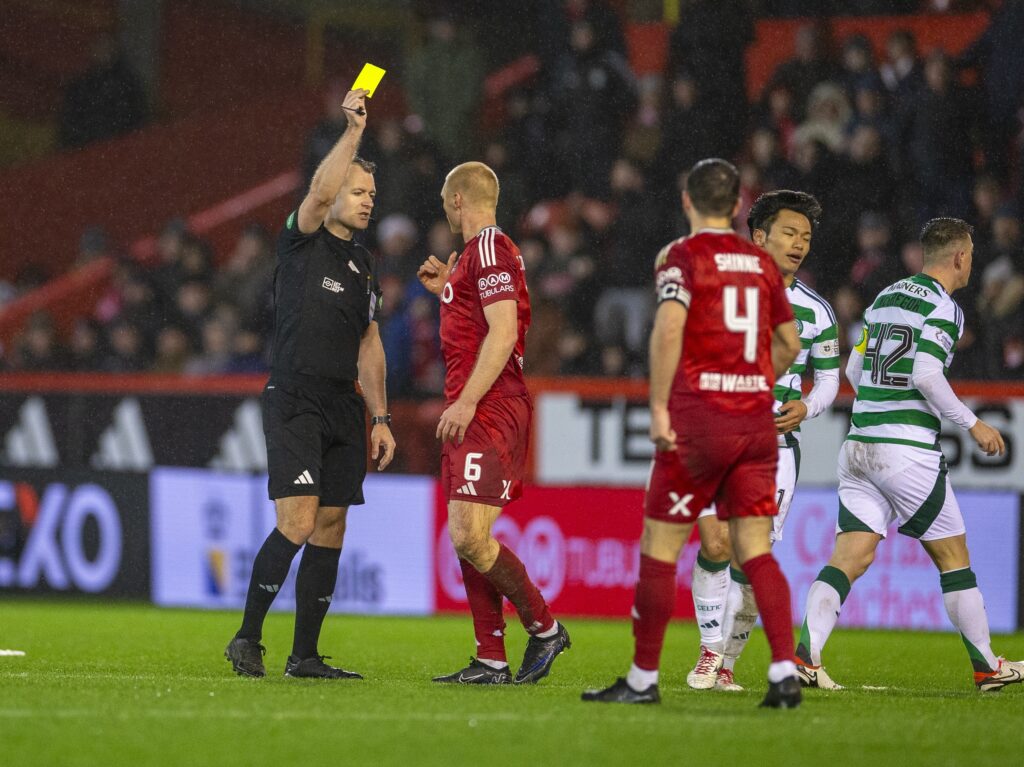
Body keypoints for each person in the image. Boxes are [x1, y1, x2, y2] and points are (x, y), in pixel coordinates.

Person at [582, 159, 803, 708]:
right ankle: (781, 674)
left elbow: (670, 328)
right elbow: (791, 344)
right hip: (754, 426)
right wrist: (754, 382)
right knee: (756, 552)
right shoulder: (761, 263)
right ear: (735, 206)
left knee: (660, 549)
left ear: (687, 201)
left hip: (699, 422)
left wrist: (659, 407)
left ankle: (641, 680)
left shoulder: (682, 257)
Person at [796, 217, 1023, 692]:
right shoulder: (945, 307)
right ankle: (987, 668)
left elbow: (855, 367)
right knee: (954, 558)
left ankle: (807, 656)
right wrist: (973, 422)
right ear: (960, 257)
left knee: (849, 557)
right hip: (907, 451)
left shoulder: (884, 298)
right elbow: (924, 373)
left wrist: (881, 404)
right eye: (971, 255)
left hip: (858, 446)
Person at [224, 89, 396, 679]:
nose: (368, 201)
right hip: (294, 396)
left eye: (372, 193)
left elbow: (368, 342)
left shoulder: (365, 264)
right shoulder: (302, 240)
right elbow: (320, 192)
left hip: (343, 405)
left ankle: (306, 656)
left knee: (331, 524)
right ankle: (247, 637)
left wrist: (380, 416)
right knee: (296, 520)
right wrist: (352, 134)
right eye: (359, 191)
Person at [416, 162, 570, 685]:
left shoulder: (487, 247)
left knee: (466, 533)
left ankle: (545, 628)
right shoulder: (475, 260)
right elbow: (480, 323)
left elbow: (502, 333)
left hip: (489, 405)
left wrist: (466, 403)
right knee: (468, 527)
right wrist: (448, 291)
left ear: (458, 199)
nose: (443, 211)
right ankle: (491, 659)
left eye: (444, 203)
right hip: (478, 404)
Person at [685, 190, 840, 692]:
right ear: (758, 237)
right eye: (790, 233)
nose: (799, 244)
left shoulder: (817, 311)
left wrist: (809, 406)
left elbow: (831, 378)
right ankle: (709, 654)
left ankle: (727, 663)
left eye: (807, 237)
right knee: (714, 540)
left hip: (775, 447)